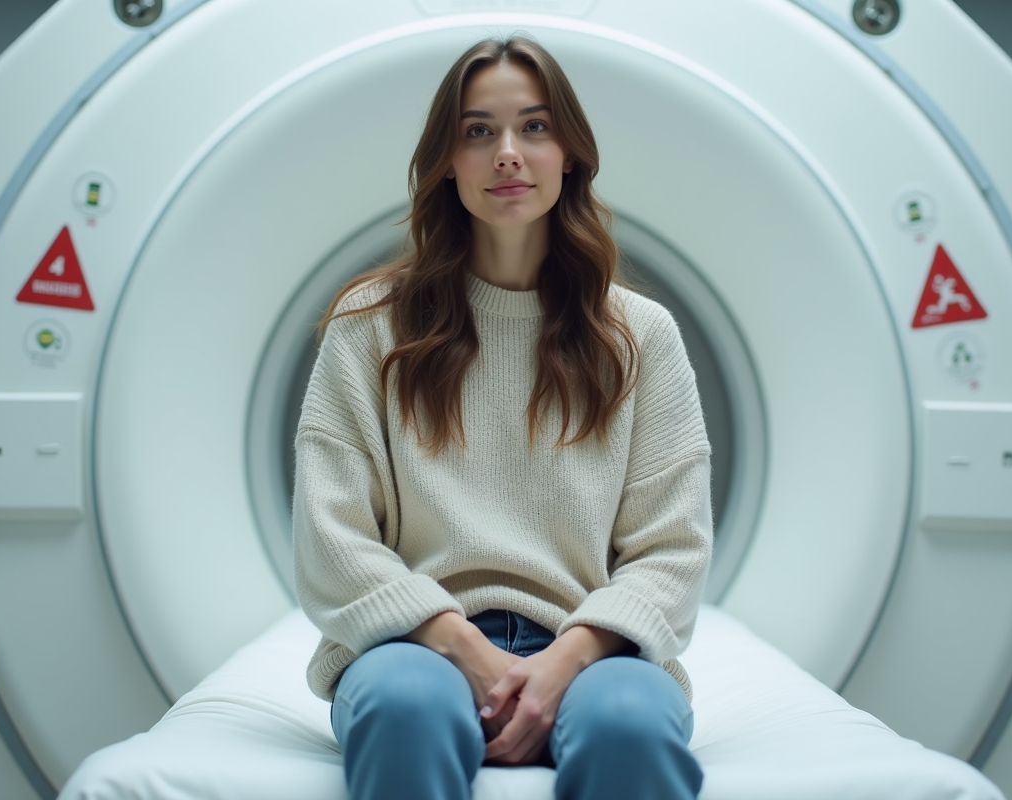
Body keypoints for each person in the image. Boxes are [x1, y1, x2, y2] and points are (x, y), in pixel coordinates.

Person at [292, 34, 712, 800]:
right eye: (478, 132)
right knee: (406, 708)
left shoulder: (640, 337)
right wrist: (465, 650)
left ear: (571, 156)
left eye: (536, 127)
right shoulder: (369, 327)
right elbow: (334, 536)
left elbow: (672, 548)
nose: (508, 153)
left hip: (592, 654)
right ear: (447, 163)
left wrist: (568, 660)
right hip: (412, 647)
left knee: (629, 727)